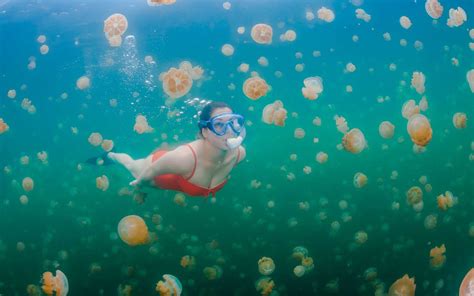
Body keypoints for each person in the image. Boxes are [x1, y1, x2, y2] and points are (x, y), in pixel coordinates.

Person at [108, 101, 246, 198]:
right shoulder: (184, 158)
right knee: (130, 164)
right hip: (158, 169)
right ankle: (110, 155)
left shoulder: (239, 154)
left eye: (233, 123)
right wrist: (139, 186)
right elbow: (152, 170)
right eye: (219, 125)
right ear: (205, 131)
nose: (229, 131)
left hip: (176, 169)